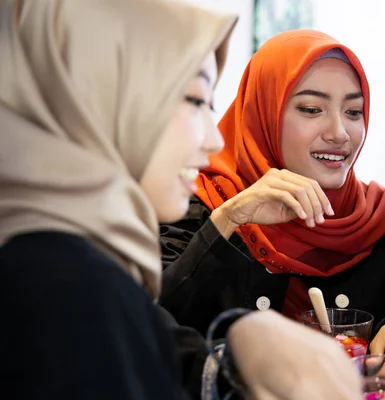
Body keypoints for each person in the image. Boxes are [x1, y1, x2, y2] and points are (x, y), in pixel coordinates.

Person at [0, 1, 363, 399]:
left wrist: (231, 355)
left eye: (354, 111)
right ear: (101, 97)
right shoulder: (60, 280)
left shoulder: (81, 254)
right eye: (194, 101)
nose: (214, 139)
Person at [159, 29, 385, 358]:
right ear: (263, 114)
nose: (339, 133)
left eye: (353, 112)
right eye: (312, 109)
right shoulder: (193, 201)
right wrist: (228, 219)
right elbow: (149, 330)